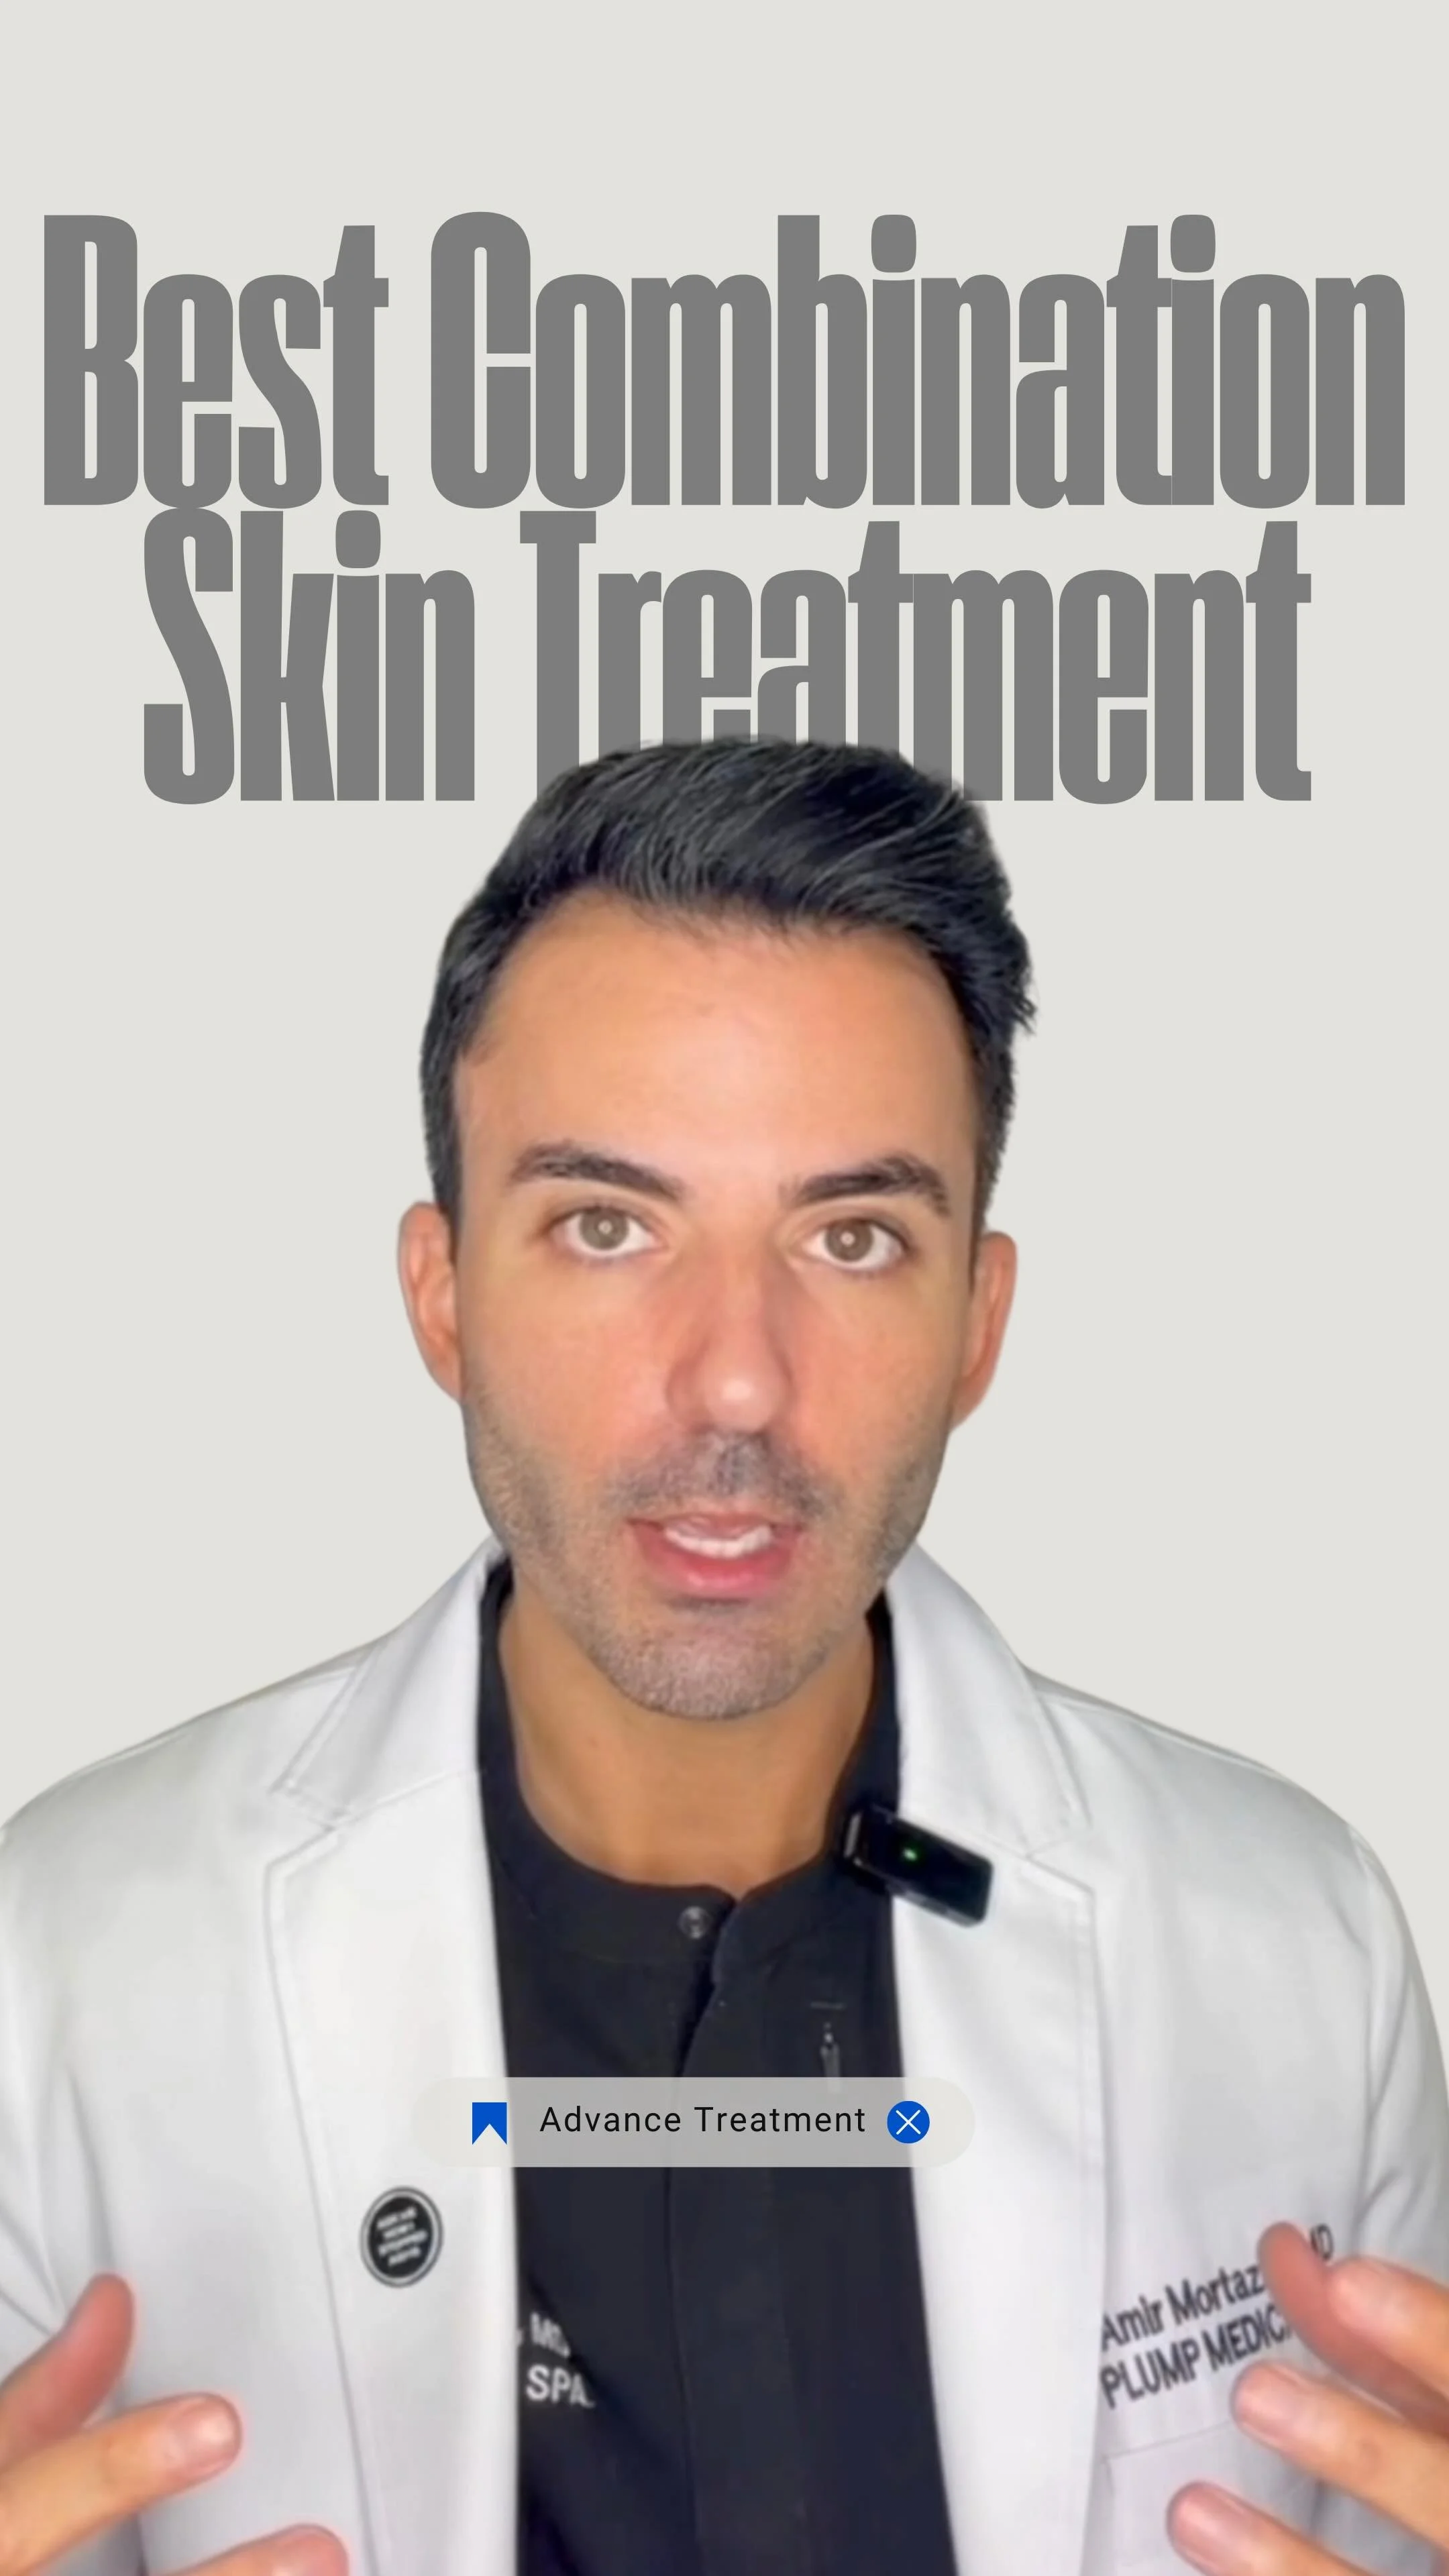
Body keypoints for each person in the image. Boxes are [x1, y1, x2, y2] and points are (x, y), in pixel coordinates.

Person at [0, 738, 1446, 2576]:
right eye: (607, 1227)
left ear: (977, 1323)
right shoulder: (62, 1970)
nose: (740, 1381)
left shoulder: (1298, 1950)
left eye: (853, 1238)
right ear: (443, 1296)